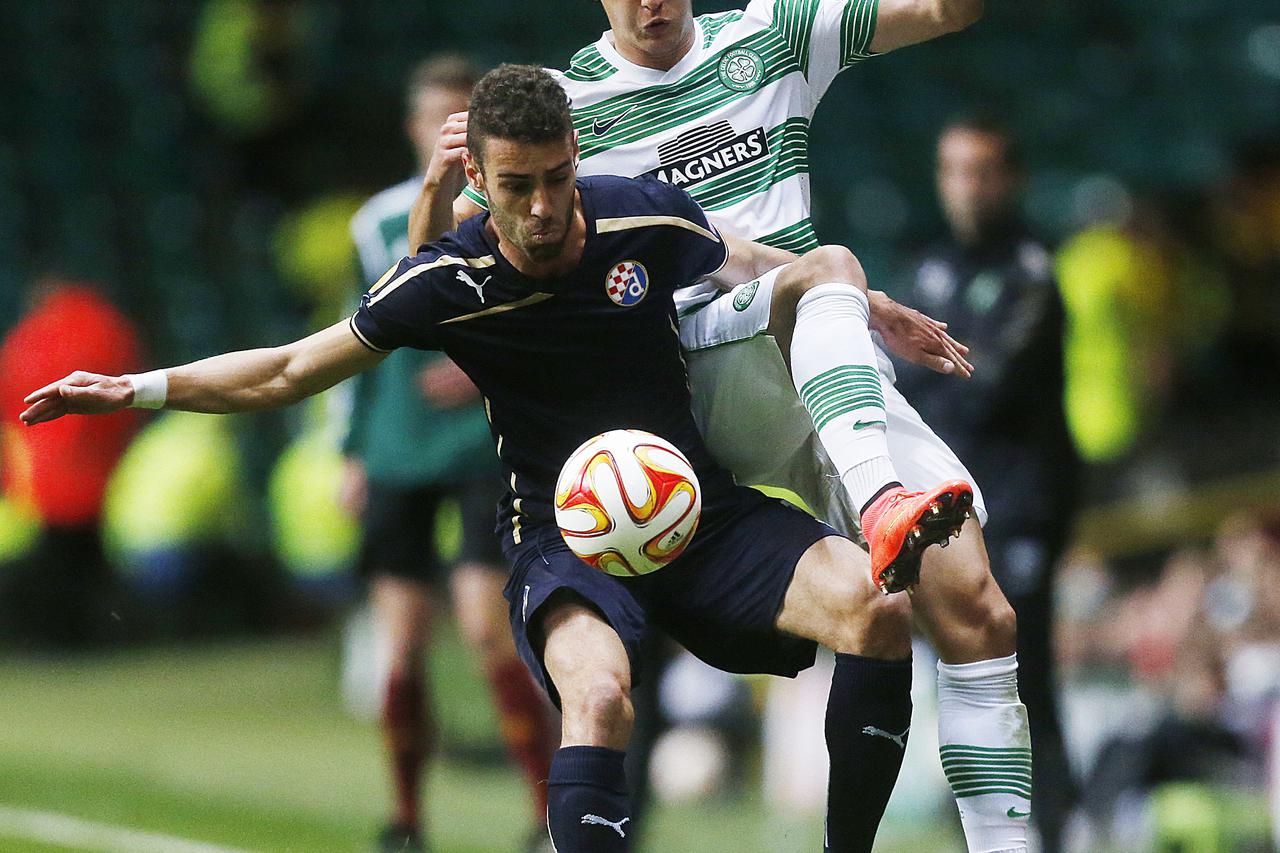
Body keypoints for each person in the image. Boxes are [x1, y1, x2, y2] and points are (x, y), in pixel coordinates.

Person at [22, 64, 973, 853]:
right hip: (568, 537)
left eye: (558, 176)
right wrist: (136, 386)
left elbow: (753, 260)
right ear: (477, 176)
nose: (546, 205)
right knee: (600, 697)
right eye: (518, 185)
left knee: (878, 607)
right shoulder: (447, 280)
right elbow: (284, 369)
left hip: (698, 510)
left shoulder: (640, 217)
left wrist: (868, 301)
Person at [410, 3, 1033, 850]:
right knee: (820, 280)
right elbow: (452, 269)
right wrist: (442, 185)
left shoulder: (775, 33)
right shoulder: (560, 103)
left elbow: (945, 12)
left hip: (829, 364)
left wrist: (870, 307)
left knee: (976, 606)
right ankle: (878, 495)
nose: (649, 4)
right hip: (697, 380)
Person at [342, 54, 556, 853]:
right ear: (412, 126)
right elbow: (354, 328)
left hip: (478, 442)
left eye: (461, 116)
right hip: (398, 444)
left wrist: (485, 370)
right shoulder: (376, 221)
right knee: (398, 642)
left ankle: (544, 815)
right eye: (436, 117)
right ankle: (406, 819)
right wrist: (352, 448)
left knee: (485, 628)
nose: (447, 130)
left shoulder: (515, 206)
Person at [895, 115, 1079, 852]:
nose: (966, 188)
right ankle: (980, 825)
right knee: (958, 667)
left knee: (1024, 671)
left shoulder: (1034, 270)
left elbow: (983, 385)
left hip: (1022, 502)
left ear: (1012, 179)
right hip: (948, 505)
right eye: (953, 171)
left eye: (981, 171)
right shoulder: (929, 268)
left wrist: (919, 375)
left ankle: (1057, 825)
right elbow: (906, 382)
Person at [0, 279, 141, 648]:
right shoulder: (105, 326)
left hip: (44, 477)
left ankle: (60, 639)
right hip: (102, 472)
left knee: (58, 566)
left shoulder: (29, 338)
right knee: (87, 563)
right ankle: (98, 636)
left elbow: (12, 407)